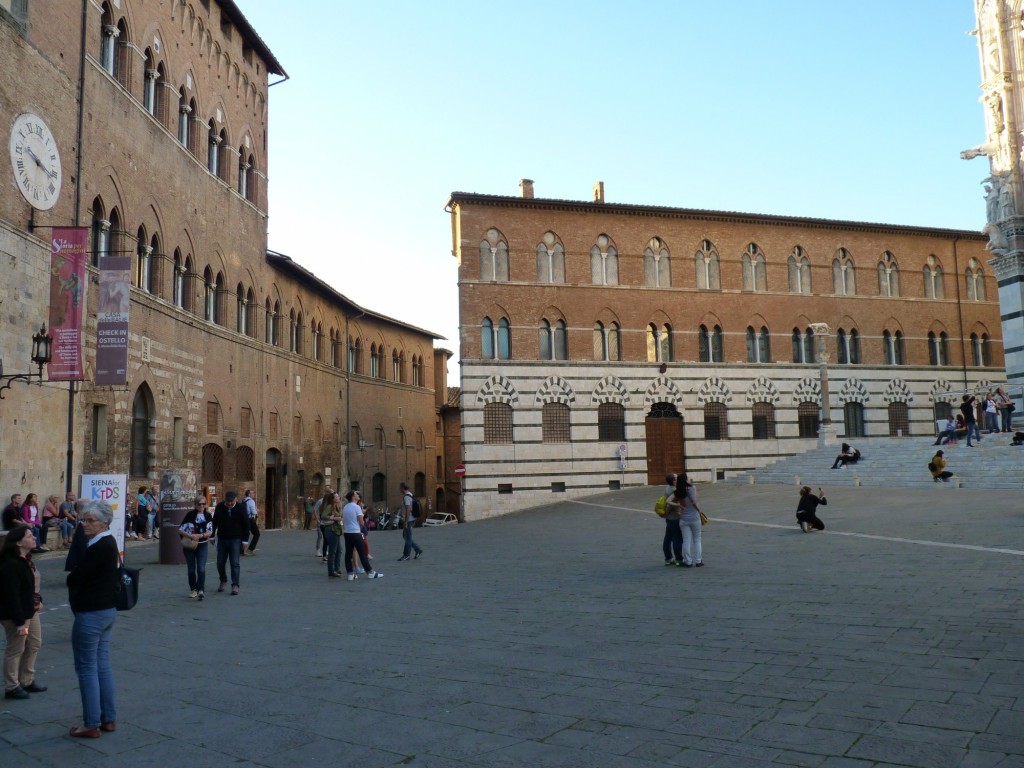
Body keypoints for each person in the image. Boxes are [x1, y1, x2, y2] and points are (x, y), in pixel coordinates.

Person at [66, 501, 119, 738]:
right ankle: (108, 718)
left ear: (104, 523)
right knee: (101, 664)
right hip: (106, 610)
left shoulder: (100, 546)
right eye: (83, 520)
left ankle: (91, 722)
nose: (84, 524)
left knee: (87, 668)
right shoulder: (105, 542)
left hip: (92, 612)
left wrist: (75, 576)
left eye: (90, 521)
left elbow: (77, 577)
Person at [0, 526, 46, 700]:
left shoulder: (26, 559)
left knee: (34, 643)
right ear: (19, 542)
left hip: (29, 611)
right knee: (16, 648)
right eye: (29, 536)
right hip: (16, 615)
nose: (34, 537)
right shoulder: (10, 564)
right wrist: (19, 622)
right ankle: (11, 687)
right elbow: (11, 595)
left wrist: (38, 600)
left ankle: (26, 680)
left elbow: (31, 586)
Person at [212, 491, 249, 596]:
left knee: (235, 563)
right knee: (220, 563)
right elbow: (214, 521)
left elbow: (246, 525)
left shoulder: (241, 508)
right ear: (225, 499)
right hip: (222, 538)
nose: (229, 503)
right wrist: (211, 536)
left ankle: (235, 585)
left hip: (236, 539)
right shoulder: (219, 507)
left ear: (235, 499)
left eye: (231, 501)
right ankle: (223, 579)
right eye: (228, 501)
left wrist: (245, 541)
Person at [342, 490, 382, 581]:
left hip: (347, 533)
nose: (358, 495)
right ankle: (370, 572)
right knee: (362, 553)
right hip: (355, 533)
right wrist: (360, 530)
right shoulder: (356, 507)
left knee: (348, 554)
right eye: (356, 494)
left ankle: (350, 574)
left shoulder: (345, 507)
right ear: (353, 497)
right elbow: (362, 522)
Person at [178, 498, 213, 599]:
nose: (201, 506)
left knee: (201, 568)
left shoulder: (208, 515)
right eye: (199, 504)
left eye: (203, 504)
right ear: (195, 505)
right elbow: (180, 530)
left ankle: (201, 589)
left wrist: (201, 535)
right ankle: (193, 589)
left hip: (202, 544)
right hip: (190, 544)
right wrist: (191, 536)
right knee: (191, 569)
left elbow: (210, 531)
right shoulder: (190, 515)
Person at [670, 474, 703, 567]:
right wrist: (699, 511)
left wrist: (679, 505)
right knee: (697, 540)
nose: (689, 479)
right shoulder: (693, 488)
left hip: (684, 519)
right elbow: (695, 502)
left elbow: (668, 501)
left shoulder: (677, 492)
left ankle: (688, 562)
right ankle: (698, 561)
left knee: (686, 541)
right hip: (695, 518)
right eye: (688, 478)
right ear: (685, 480)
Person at [397, 481, 423, 561]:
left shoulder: (406, 497)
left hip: (409, 519)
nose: (399, 489)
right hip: (411, 518)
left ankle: (406, 555)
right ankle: (417, 549)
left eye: (400, 488)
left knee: (407, 537)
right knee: (405, 536)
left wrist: (406, 521)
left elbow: (408, 509)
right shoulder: (410, 494)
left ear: (403, 488)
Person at [661, 473, 682, 566]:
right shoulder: (674, 490)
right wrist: (666, 513)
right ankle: (678, 559)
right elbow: (669, 504)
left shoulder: (667, 488)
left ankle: (668, 558)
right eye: (677, 478)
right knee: (676, 538)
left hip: (669, 518)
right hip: (675, 517)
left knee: (668, 538)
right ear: (673, 481)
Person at [321, 493, 344, 577]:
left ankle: (337, 569)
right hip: (331, 530)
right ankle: (331, 570)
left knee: (339, 550)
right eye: (337, 496)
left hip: (336, 531)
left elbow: (340, 516)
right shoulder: (330, 506)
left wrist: (340, 507)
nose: (339, 497)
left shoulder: (335, 506)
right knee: (332, 552)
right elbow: (323, 516)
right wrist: (334, 518)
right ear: (333, 499)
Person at [243, 489, 260, 555]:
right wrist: (256, 512)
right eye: (252, 493)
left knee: (245, 534)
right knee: (257, 534)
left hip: (244, 519)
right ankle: (250, 549)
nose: (254, 494)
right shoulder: (251, 501)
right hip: (250, 519)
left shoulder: (243, 500)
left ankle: (241, 550)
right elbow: (253, 511)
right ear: (249, 494)